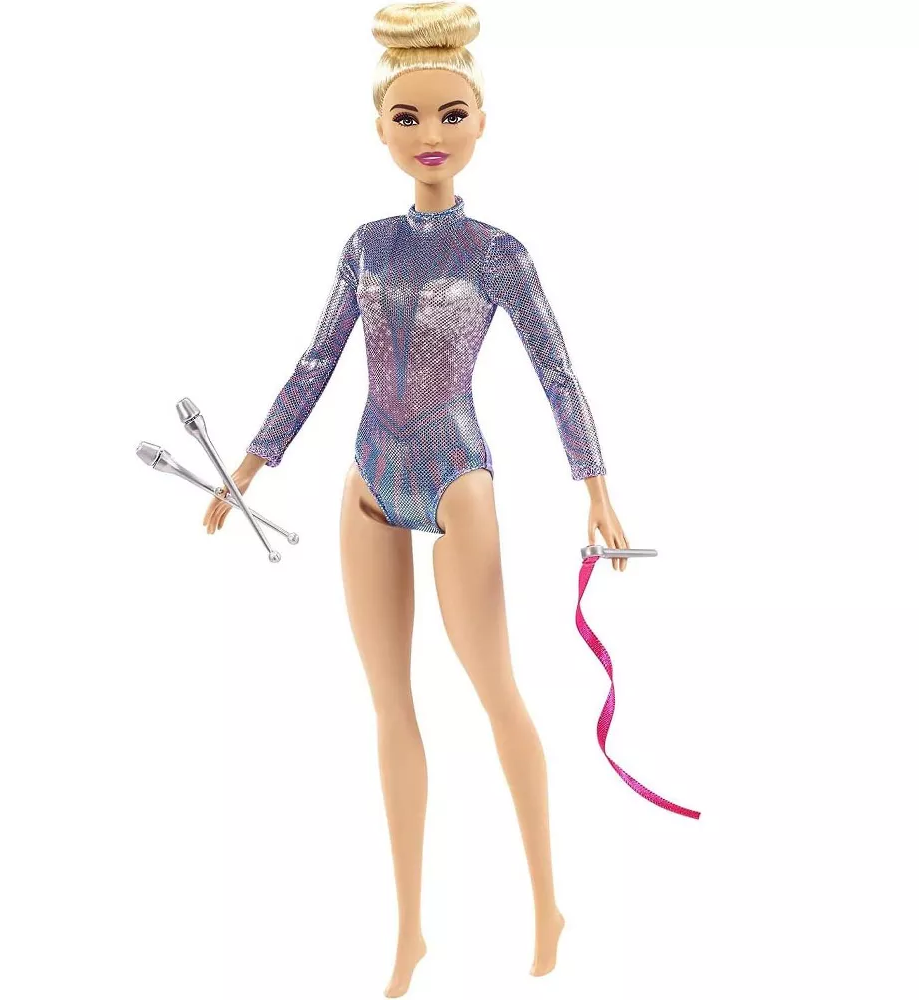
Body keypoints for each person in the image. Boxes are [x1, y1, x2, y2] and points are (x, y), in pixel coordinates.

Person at [203, 3, 629, 995]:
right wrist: (249, 465)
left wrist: (596, 487)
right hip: (368, 476)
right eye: (407, 118)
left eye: (449, 115)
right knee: (389, 706)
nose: (429, 134)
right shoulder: (365, 244)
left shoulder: (495, 252)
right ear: (380, 128)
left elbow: (557, 372)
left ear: (480, 122)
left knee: (496, 692)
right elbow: (316, 361)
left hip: (455, 478)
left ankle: (546, 901)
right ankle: (409, 932)